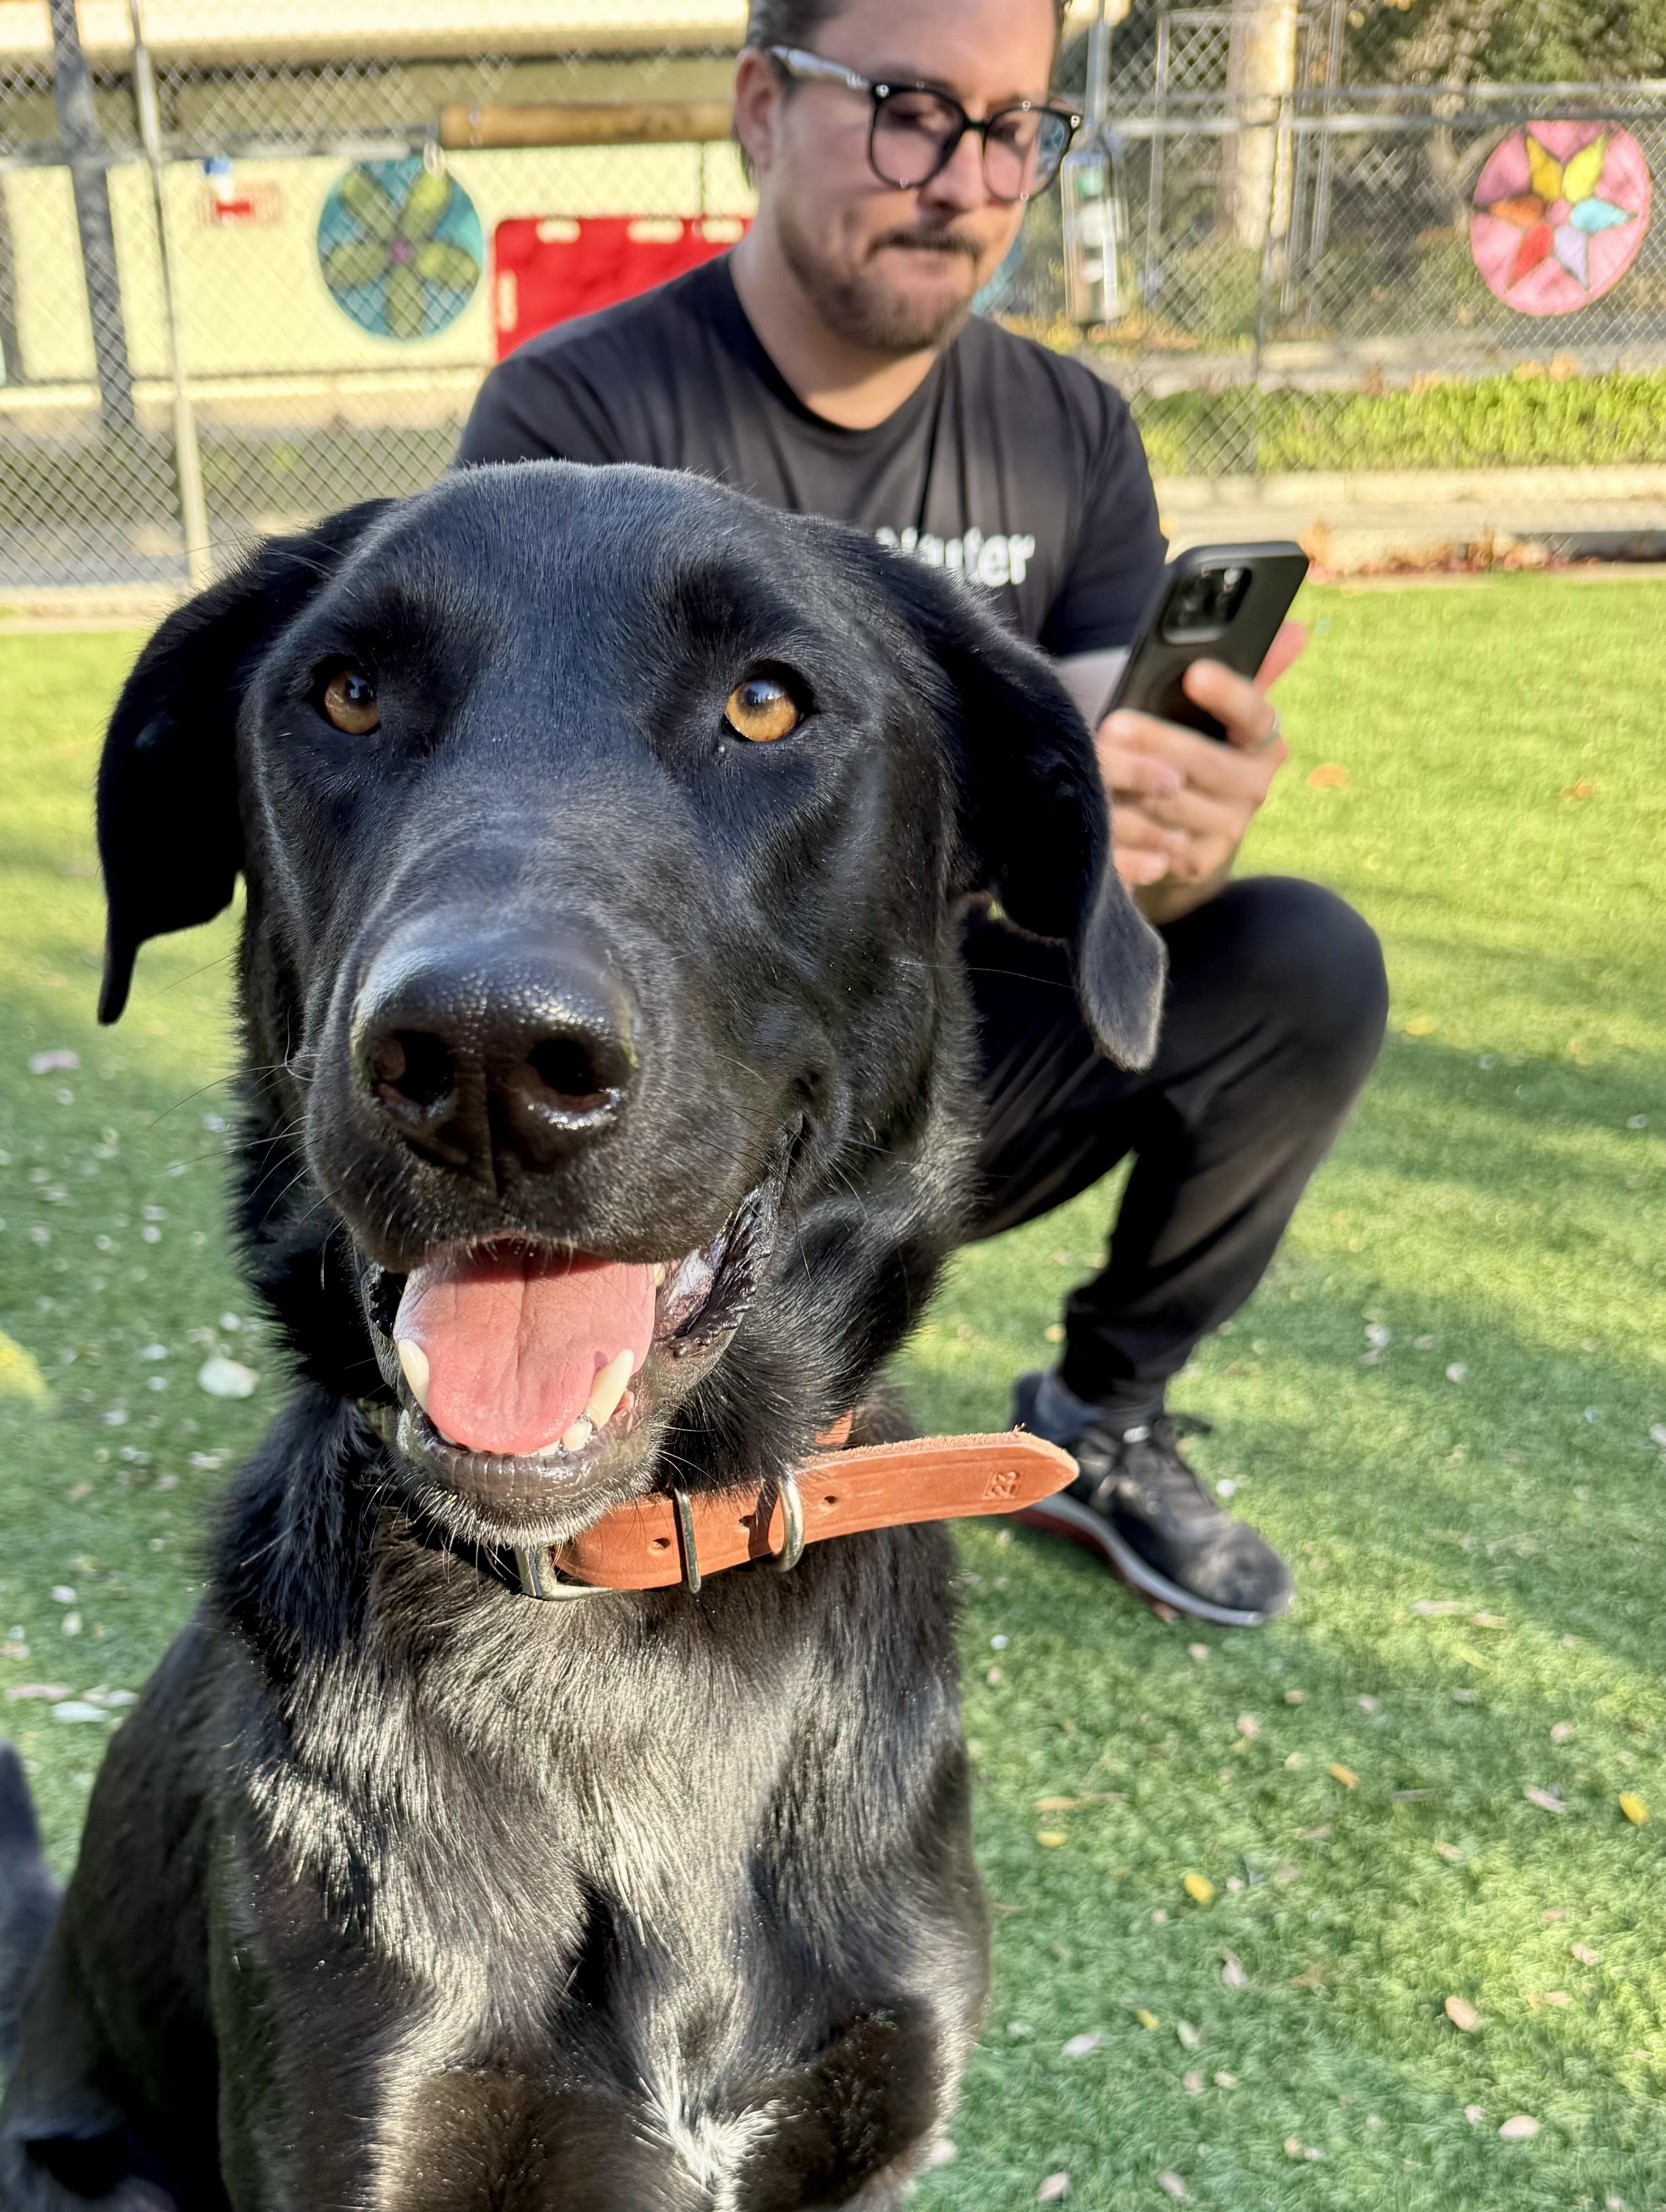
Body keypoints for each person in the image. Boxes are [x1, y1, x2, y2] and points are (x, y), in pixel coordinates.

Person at [455, 0, 1390, 1628]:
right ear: (759, 108)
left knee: (1302, 956)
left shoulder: (1070, 431)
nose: (964, 176)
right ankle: (540, 1410)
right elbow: (517, 842)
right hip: (658, 1044)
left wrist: (1170, 836)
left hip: (931, 1047)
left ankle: (1102, 1416)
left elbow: (1105, 868)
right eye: (907, 107)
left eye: (1016, 125)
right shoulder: (576, 422)